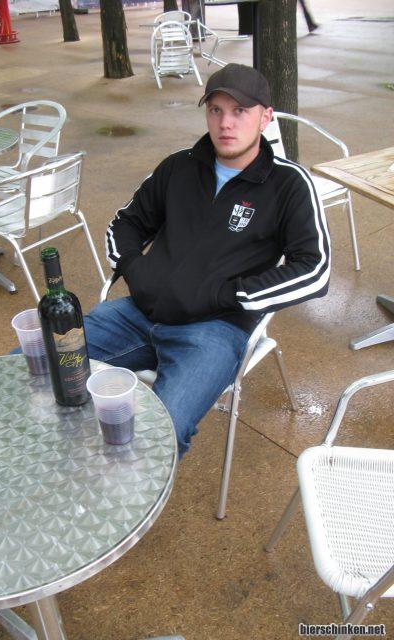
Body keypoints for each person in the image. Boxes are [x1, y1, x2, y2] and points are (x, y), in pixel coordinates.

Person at [84, 63, 330, 457]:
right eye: (216, 110)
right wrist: (136, 269)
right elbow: (125, 223)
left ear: (265, 117)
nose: (225, 123)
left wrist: (227, 294)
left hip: (213, 331)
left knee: (160, 436)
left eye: (240, 111)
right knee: (39, 364)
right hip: (137, 315)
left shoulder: (288, 184)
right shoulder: (178, 167)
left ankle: (121, 492)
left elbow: (314, 269)